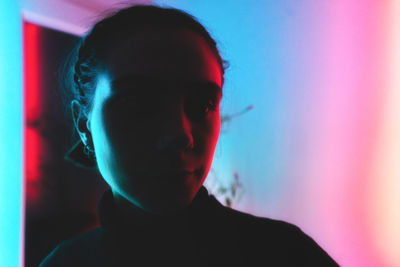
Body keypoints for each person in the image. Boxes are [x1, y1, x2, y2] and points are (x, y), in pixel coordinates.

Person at [40, 4, 337, 266]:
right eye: (138, 103)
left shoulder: (285, 255)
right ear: (83, 123)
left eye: (203, 105)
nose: (179, 134)